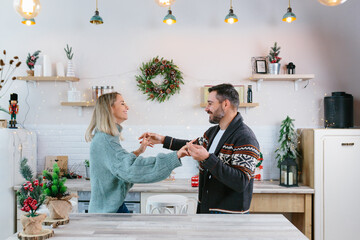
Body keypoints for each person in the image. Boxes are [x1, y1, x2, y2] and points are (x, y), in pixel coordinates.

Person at [140, 84, 260, 214]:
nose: (206, 109)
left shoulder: (245, 137)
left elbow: (240, 182)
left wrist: (207, 158)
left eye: (210, 103)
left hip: (229, 217)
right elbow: (192, 146)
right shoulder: (213, 132)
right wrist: (162, 140)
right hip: (206, 209)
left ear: (225, 104)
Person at [85, 92, 188, 213]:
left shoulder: (105, 137)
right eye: (122, 103)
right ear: (109, 108)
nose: (127, 107)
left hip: (109, 208)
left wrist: (138, 152)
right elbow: (129, 170)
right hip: (107, 212)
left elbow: (118, 164)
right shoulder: (105, 140)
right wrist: (175, 157)